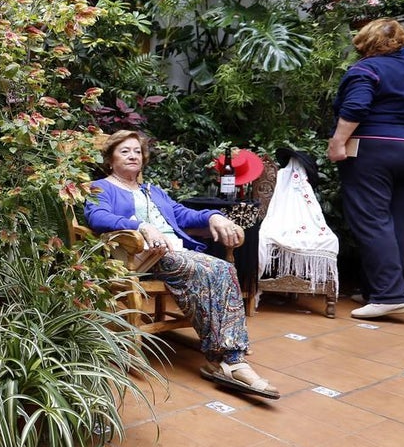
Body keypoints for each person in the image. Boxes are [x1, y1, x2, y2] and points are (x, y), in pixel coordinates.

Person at [85, 130, 279, 399]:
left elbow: (181, 213)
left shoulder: (152, 190)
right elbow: (97, 217)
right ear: (110, 159)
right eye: (124, 151)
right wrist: (140, 226)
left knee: (224, 269)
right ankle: (231, 358)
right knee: (213, 269)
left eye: (137, 151)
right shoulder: (101, 188)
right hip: (141, 257)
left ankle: (229, 356)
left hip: (173, 253)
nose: (133, 156)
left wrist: (214, 218)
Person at [327, 18, 404, 319]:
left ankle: (390, 295)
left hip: (374, 150)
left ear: (364, 42)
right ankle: (378, 289)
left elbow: (356, 107)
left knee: (370, 219)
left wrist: (338, 143)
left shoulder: (365, 69)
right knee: (393, 220)